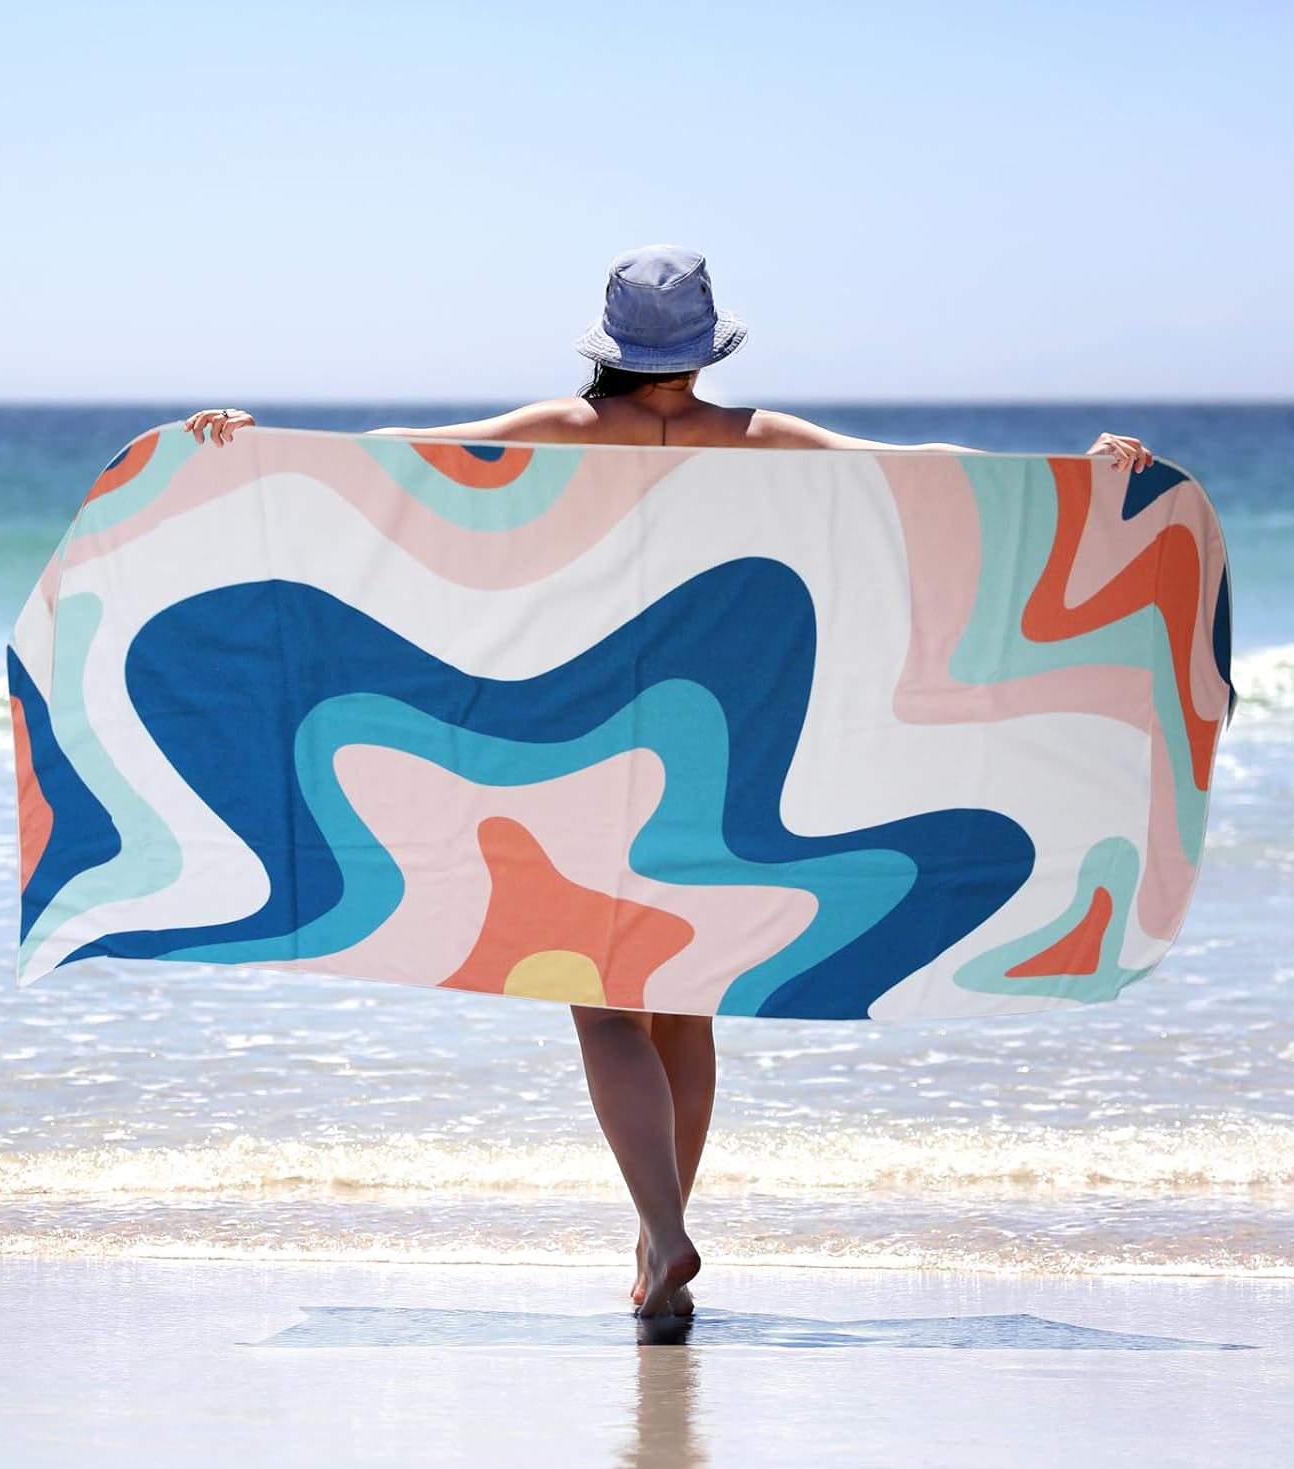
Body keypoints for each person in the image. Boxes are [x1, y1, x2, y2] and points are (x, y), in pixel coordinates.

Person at [183, 244, 1154, 1319]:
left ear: (610, 341)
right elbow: (924, 473)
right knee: (686, 1010)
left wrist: (252, 445)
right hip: (720, 754)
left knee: (606, 1011)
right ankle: (657, 1256)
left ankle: (662, 1234)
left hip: (575, 748)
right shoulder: (756, 437)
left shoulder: (562, 427)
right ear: (704, 345)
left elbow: (392, 462)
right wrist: (1086, 476)